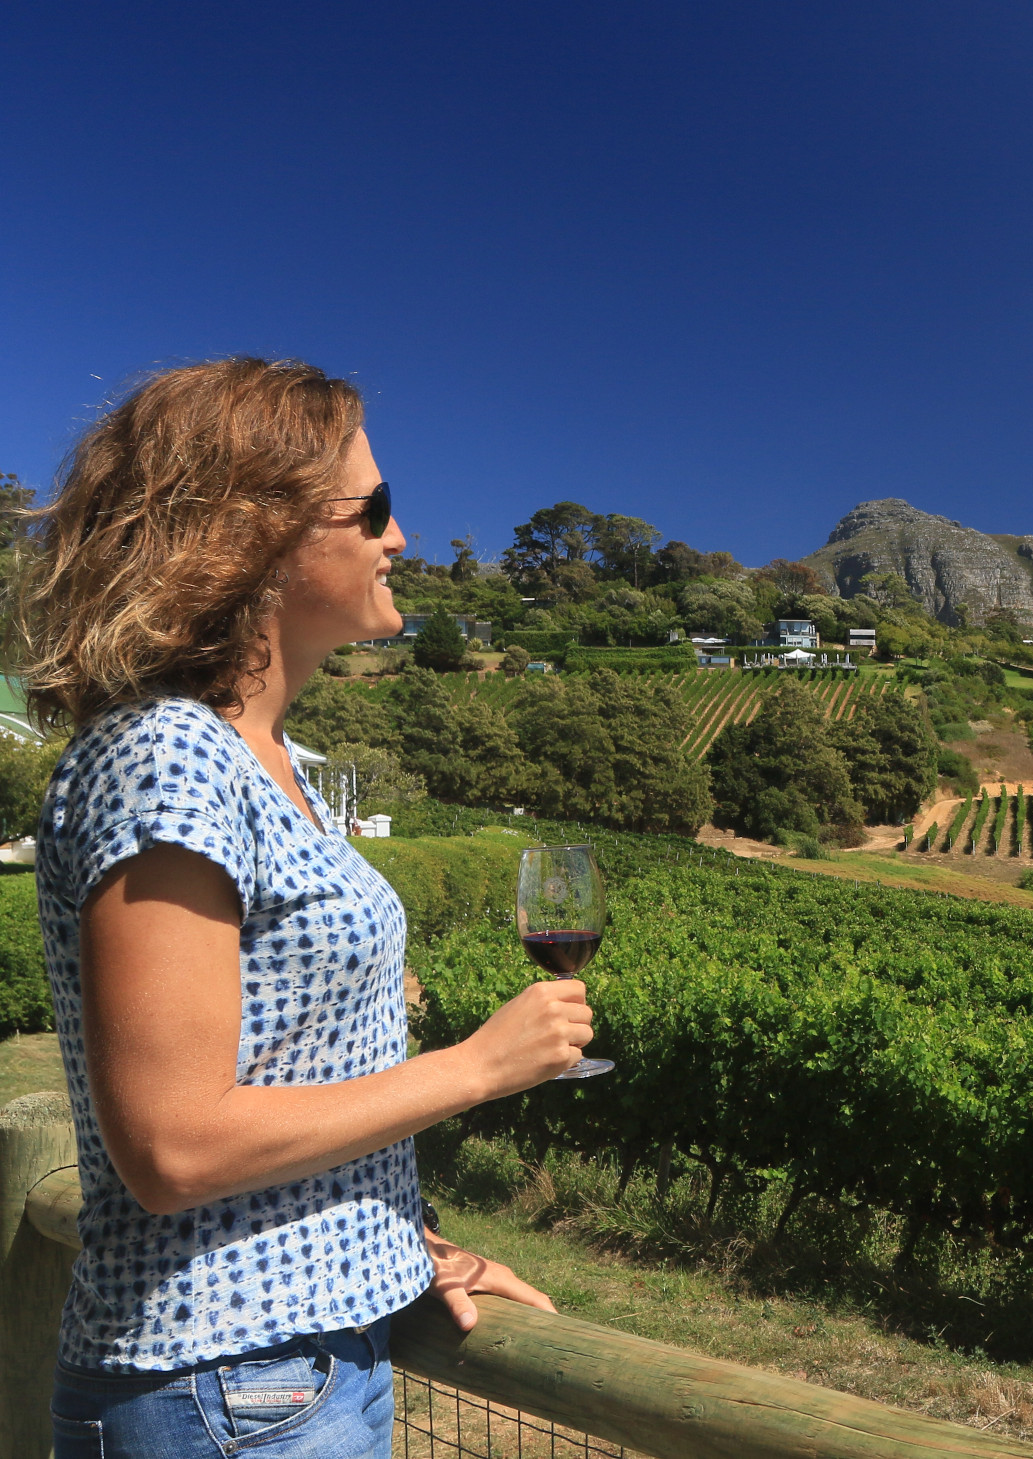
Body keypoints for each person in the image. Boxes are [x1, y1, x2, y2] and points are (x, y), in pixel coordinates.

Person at [9, 359, 596, 1456]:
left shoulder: (263, 760)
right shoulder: (169, 753)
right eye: (369, 508)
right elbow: (174, 1144)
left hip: (289, 1371)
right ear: (255, 538)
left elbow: (280, 1076)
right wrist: (480, 1065)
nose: (398, 536)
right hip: (225, 1386)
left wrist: (391, 1246)